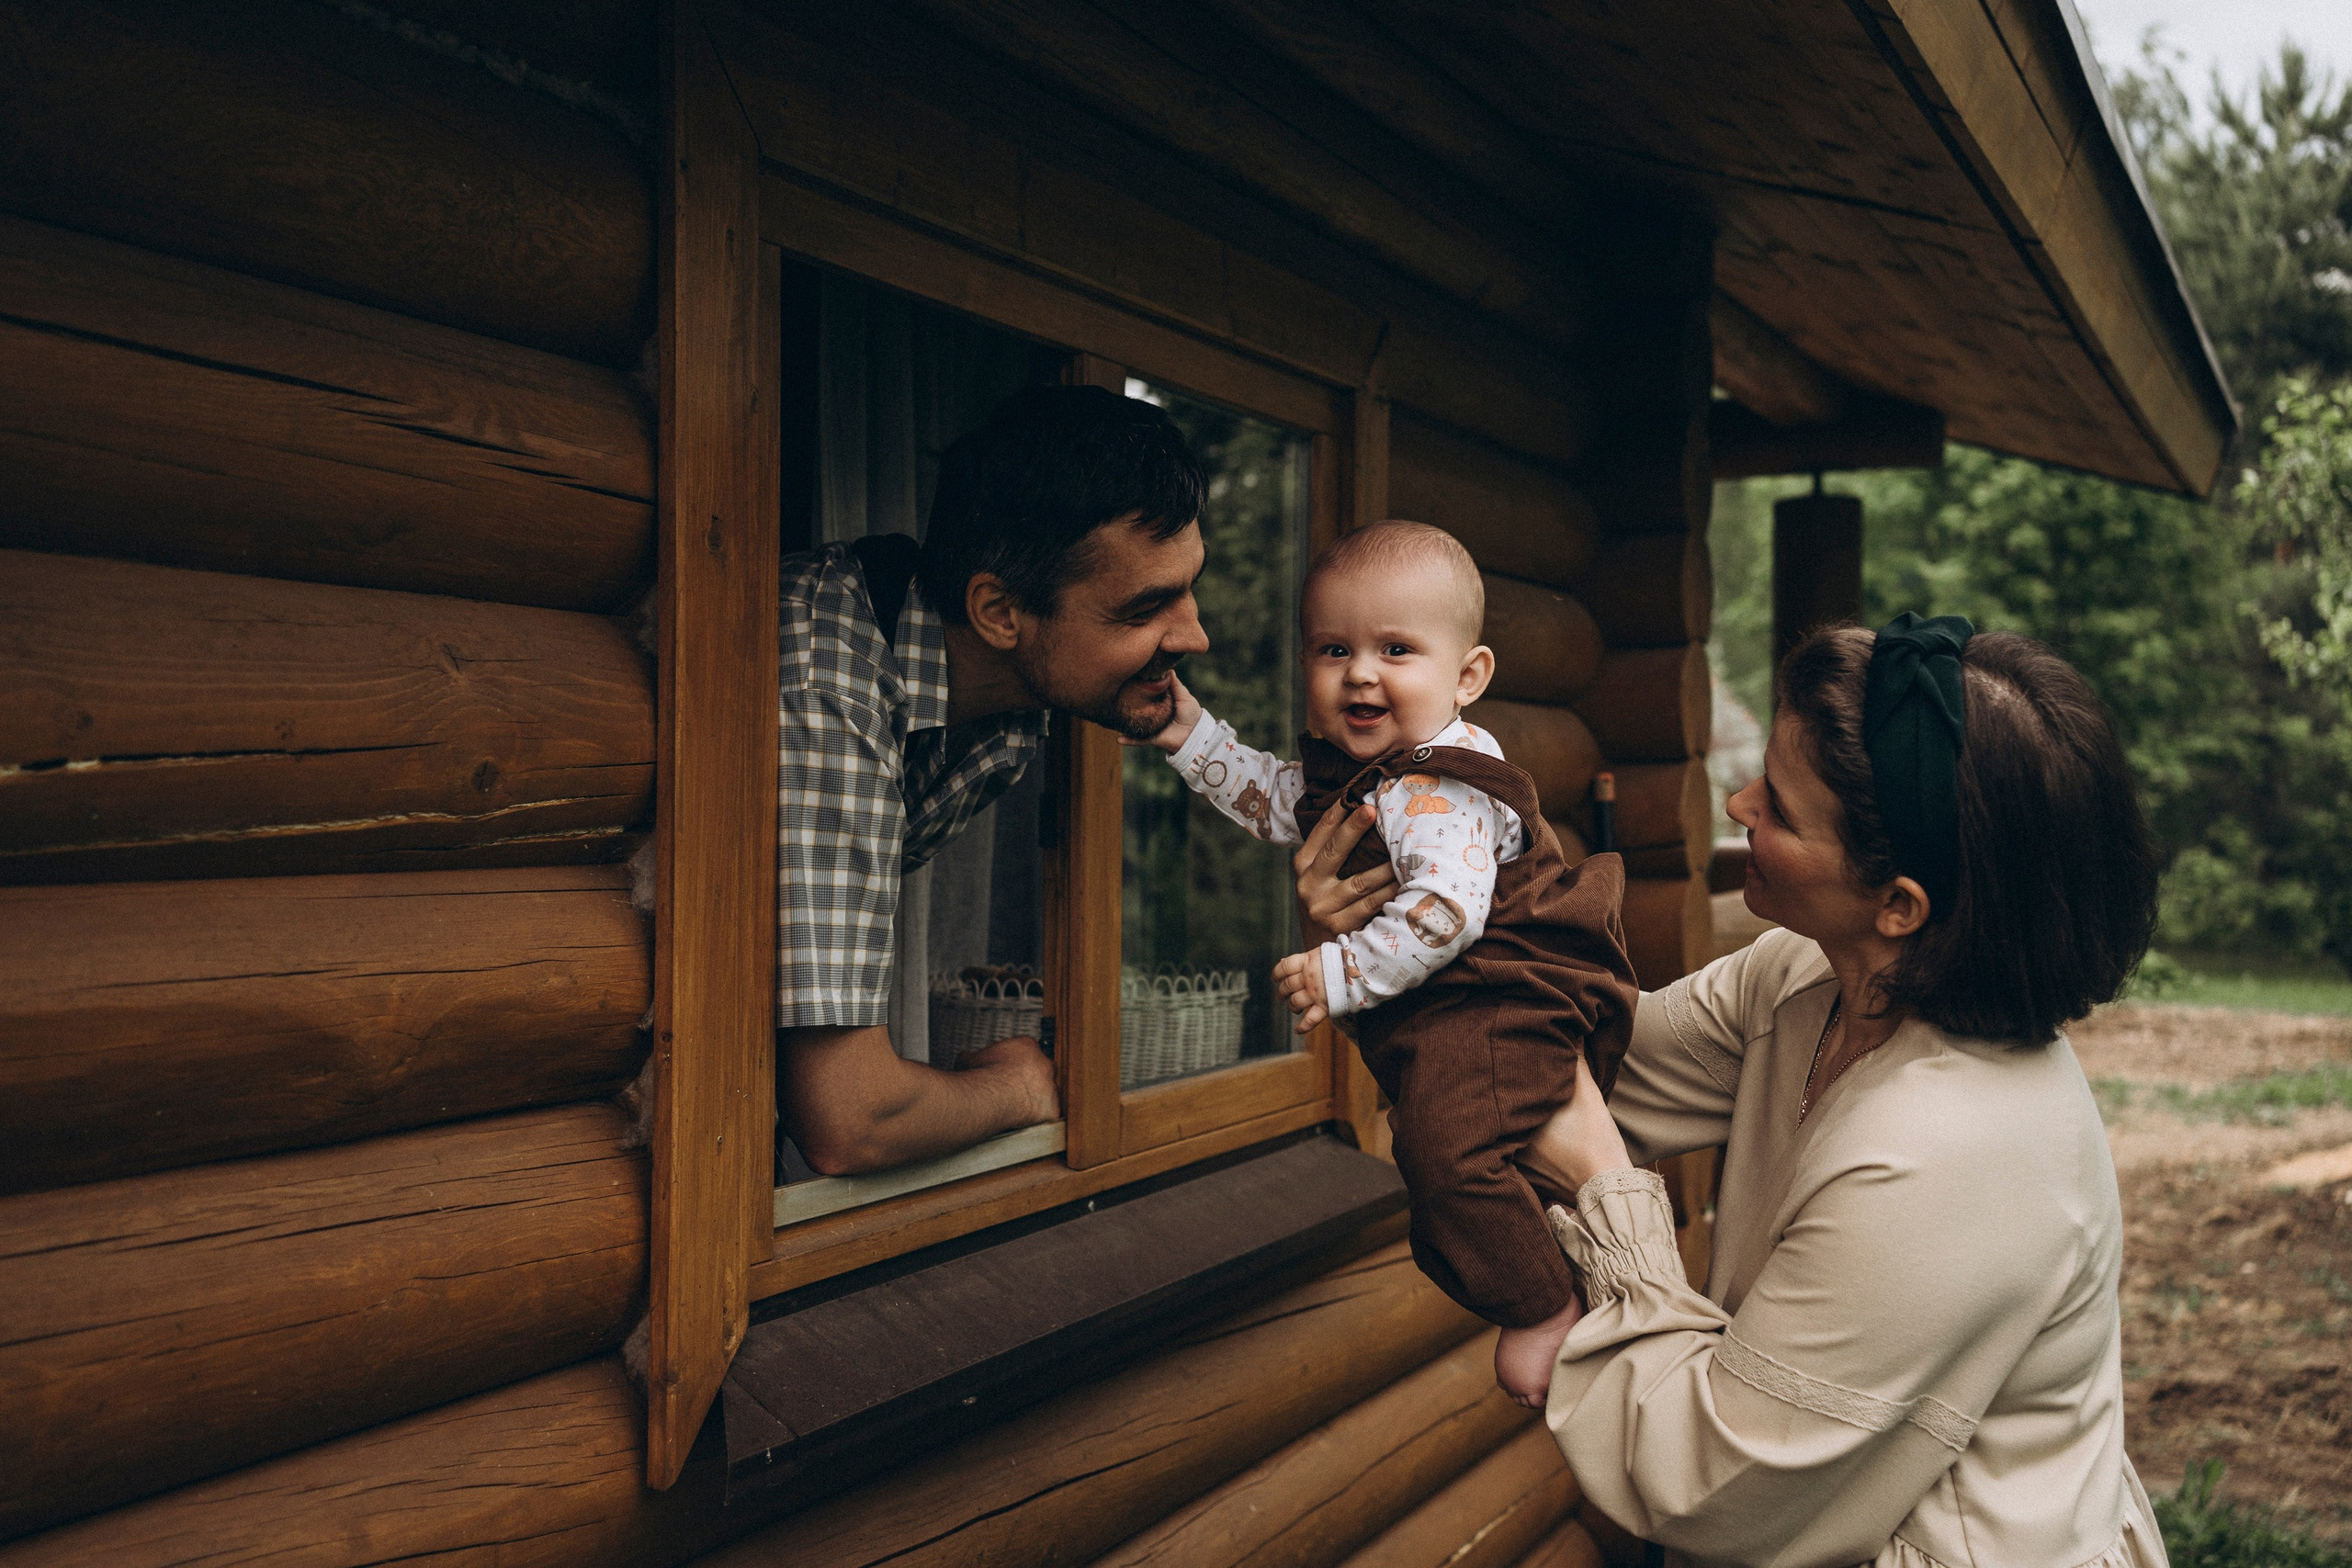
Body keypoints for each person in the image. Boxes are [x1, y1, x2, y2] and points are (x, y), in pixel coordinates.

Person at [1500, 616, 2168, 1567]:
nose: (1736, 804)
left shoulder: (1951, 1152)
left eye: (1776, 804)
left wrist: (1603, 1178)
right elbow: (1575, 1065)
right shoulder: (1807, 981)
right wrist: (1400, 931)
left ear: (1898, 905)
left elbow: (1708, 1484)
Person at [1135, 521, 1637, 1407]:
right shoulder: (1374, 774)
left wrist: (1341, 972)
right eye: (1335, 649)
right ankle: (1542, 1265)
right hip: (1468, 1003)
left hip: (1513, 996)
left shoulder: (1439, 789)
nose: (1360, 672)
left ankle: (1542, 1305)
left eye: (1396, 649)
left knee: (1447, 1151)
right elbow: (1267, 794)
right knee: (1442, 1151)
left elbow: (1445, 916)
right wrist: (1186, 730)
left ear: (1468, 676)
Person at [777, 385, 1208, 1176]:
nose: (1195, 634)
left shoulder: (1006, 703)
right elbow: (851, 1120)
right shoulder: (828, 688)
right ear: (1000, 613)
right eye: (1146, 607)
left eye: (1189, 588)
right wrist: (1017, 1087)